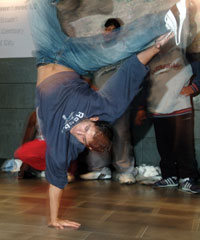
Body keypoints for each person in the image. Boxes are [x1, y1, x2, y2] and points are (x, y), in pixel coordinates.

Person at [28, 0, 187, 229]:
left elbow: (57, 183)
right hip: (75, 60)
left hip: (46, 54)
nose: (79, 133)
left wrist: (54, 219)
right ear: (94, 120)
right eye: (86, 129)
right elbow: (130, 72)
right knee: (118, 48)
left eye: (82, 138)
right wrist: (157, 47)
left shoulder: (63, 147)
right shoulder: (105, 108)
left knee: (35, 4)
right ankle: (169, 17)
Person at [135, 3, 200, 194]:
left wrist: (194, 87)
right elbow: (145, 83)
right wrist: (142, 107)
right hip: (159, 109)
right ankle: (169, 176)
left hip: (180, 107)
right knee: (164, 146)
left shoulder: (183, 49)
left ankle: (188, 178)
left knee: (184, 145)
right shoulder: (152, 55)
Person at [80, 18, 137, 184]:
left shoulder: (125, 52)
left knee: (121, 135)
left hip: (119, 102)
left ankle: (125, 170)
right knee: (96, 134)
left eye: (112, 30)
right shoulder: (96, 53)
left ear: (118, 33)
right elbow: (87, 77)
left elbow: (132, 77)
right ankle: (99, 169)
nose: (108, 33)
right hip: (98, 102)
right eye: (106, 29)